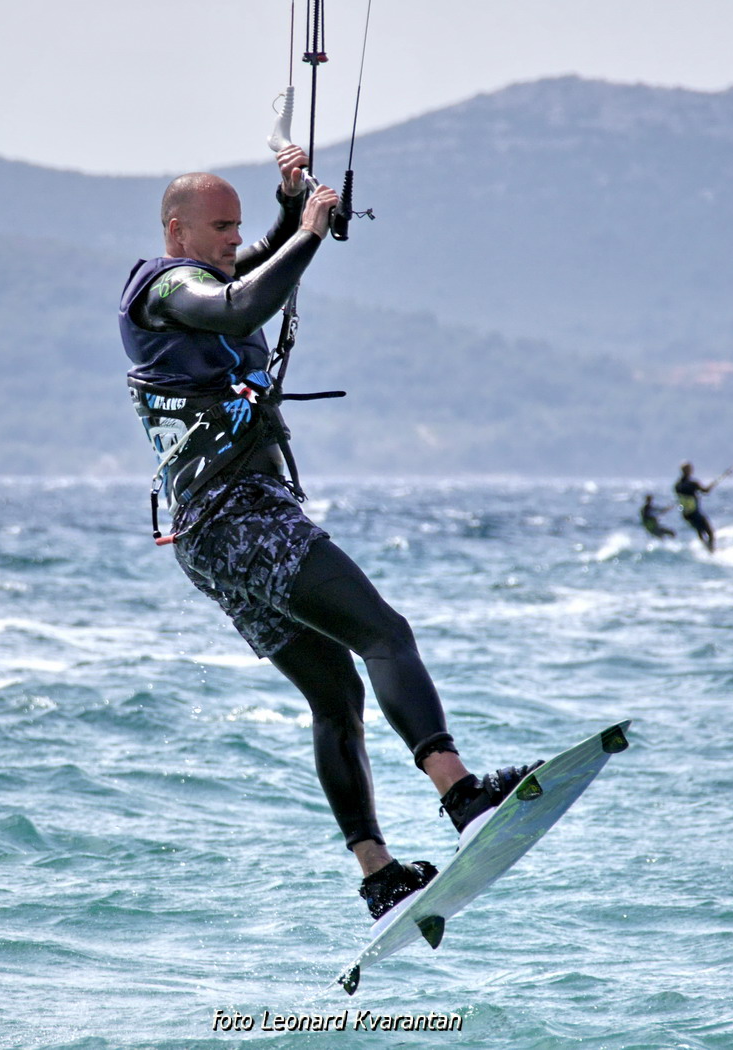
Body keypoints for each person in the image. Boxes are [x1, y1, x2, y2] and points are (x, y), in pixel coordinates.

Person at [118, 145, 538, 921]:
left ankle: (378, 873)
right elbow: (237, 305)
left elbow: (248, 273)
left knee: (336, 695)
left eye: (236, 227)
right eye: (218, 228)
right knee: (384, 632)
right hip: (243, 519)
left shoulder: (204, 276)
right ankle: (462, 795)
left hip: (209, 541)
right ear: (176, 231)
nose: (228, 241)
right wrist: (309, 232)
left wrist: (288, 210)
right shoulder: (167, 283)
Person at [674, 462, 717, 552]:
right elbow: (705, 491)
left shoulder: (677, 485)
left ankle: (707, 549)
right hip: (695, 513)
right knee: (710, 532)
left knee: (700, 531)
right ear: (688, 470)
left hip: (686, 514)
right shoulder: (693, 483)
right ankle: (712, 550)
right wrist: (713, 484)